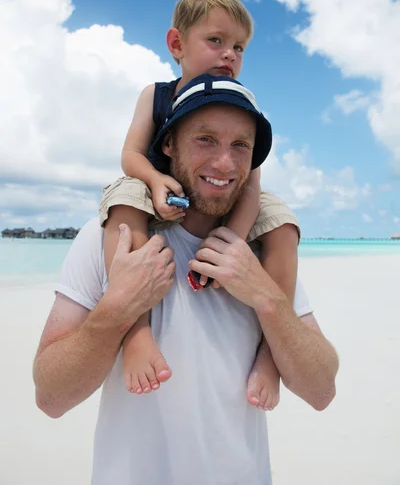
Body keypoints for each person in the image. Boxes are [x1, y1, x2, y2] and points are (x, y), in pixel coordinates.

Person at [33, 82, 338, 485]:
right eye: (206, 140)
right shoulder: (108, 237)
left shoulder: (262, 253)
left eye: (241, 146)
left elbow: (321, 391)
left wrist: (265, 297)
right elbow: (51, 398)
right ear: (169, 145)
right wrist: (117, 310)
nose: (225, 163)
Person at [102, 0, 299, 410]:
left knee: (282, 223)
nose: (230, 54)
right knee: (124, 199)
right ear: (177, 44)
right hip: (162, 189)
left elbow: (250, 183)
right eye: (216, 41)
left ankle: (269, 355)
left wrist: (231, 241)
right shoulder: (156, 96)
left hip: (226, 206)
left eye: (239, 47)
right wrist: (155, 180)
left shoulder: (241, 105)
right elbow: (130, 155)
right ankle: (136, 332)